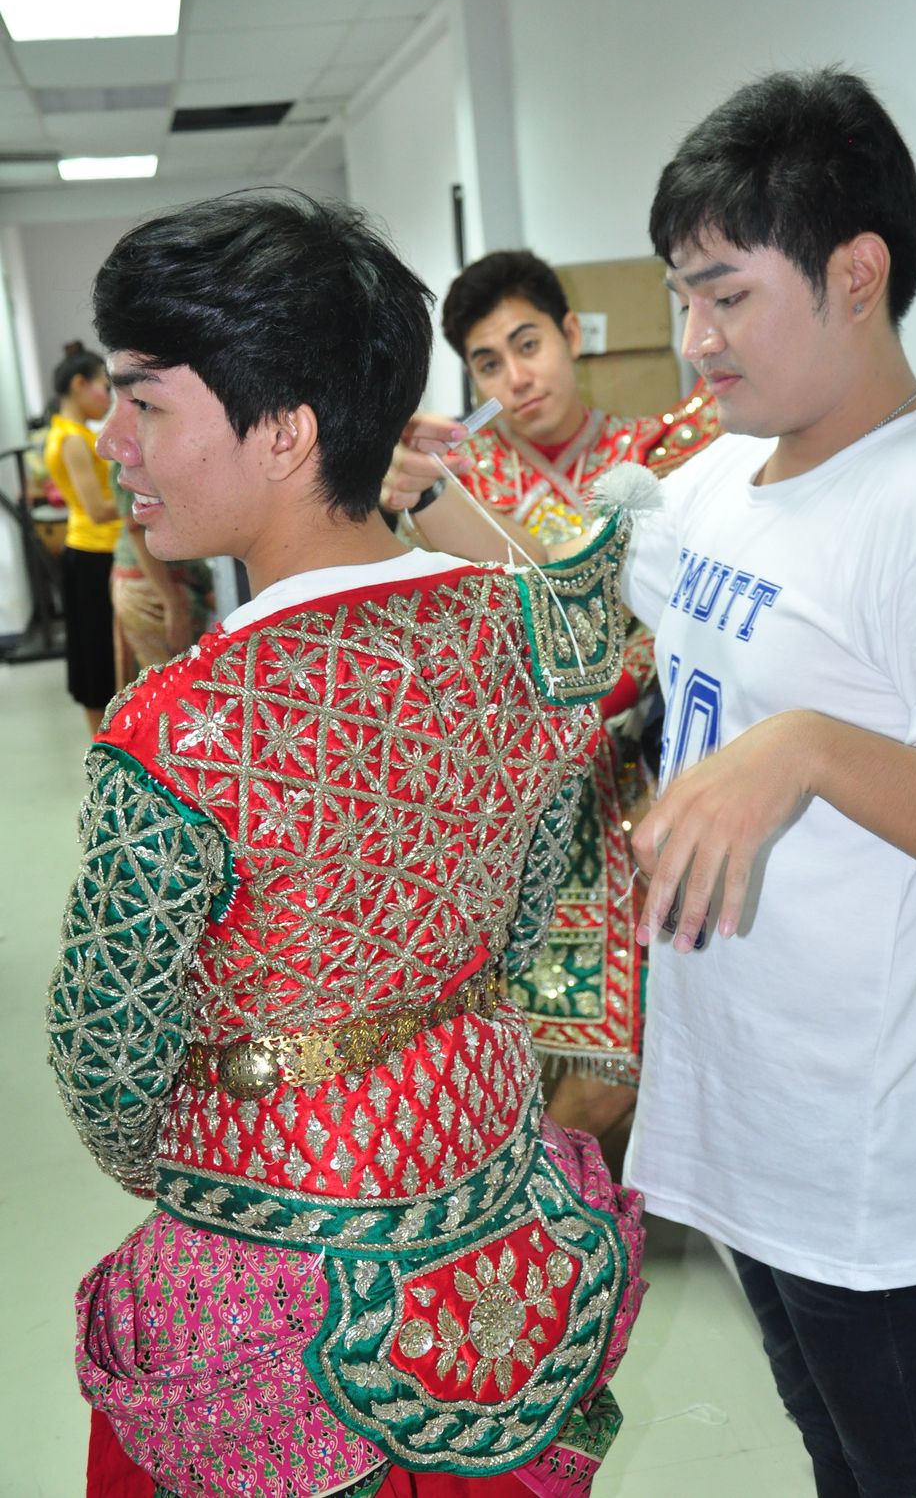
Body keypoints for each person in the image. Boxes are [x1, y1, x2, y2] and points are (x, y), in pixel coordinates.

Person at [46, 191, 646, 1498]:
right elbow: (525, 912)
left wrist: (229, 1144)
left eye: (147, 402)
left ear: (285, 429)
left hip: (277, 1292)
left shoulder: (178, 729)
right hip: (502, 1217)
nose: (115, 440)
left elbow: (106, 1057)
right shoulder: (520, 638)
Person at [621, 68, 916, 1497]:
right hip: (748, 1104)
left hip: (869, 1143)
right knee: (840, 1464)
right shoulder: (726, 479)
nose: (696, 338)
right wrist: (437, 504)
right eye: (683, 296)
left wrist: (807, 752)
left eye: (727, 294)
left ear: (857, 274)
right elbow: (611, 619)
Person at [381, 250, 718, 1147]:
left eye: (528, 344)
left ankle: (556, 1206)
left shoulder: (655, 455)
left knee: (616, 1067)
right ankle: (535, 1203)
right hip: (509, 809)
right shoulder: (455, 476)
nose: (516, 377)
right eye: (488, 362)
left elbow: (634, 621)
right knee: (503, 1055)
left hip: (633, 788)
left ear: (571, 335)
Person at [42, 348, 120, 732]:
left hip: (92, 551)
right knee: (98, 660)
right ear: (79, 384)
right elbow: (98, 510)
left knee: (100, 655)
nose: (108, 397)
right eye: (104, 387)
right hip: (94, 552)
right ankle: (103, 746)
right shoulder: (73, 439)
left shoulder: (73, 432)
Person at [109, 471, 213, 690]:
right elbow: (137, 529)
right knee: (171, 686)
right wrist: (173, 605)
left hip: (168, 581)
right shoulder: (131, 458)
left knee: (178, 681)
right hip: (154, 586)